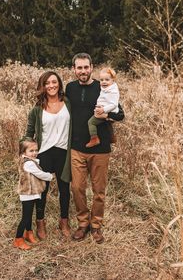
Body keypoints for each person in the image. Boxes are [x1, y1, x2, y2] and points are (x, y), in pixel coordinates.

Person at [65, 53, 124, 244]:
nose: (83, 71)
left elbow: (120, 114)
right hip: (76, 147)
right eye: (79, 68)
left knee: (99, 190)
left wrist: (106, 115)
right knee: (77, 187)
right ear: (74, 69)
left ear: (92, 67)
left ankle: (96, 226)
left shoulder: (103, 85)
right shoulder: (70, 88)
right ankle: (83, 224)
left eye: (86, 67)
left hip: (100, 149)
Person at [24, 71, 72, 239]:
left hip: (64, 151)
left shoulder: (67, 103)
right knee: (42, 190)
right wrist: (27, 153)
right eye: (47, 83)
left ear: (59, 84)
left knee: (64, 189)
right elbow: (28, 134)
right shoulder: (37, 109)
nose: (51, 85)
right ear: (43, 86)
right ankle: (40, 222)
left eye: (54, 82)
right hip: (44, 152)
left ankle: (64, 221)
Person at [13, 139, 53, 250]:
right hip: (27, 194)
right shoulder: (29, 163)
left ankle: (28, 233)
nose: (34, 153)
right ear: (23, 152)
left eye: (36, 150)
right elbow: (40, 174)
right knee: (25, 218)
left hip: (32, 193)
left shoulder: (30, 161)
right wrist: (49, 176)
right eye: (31, 150)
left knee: (29, 215)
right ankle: (18, 239)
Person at [86, 67, 120, 148]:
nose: (104, 82)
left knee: (91, 122)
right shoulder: (107, 88)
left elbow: (114, 104)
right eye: (101, 80)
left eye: (107, 80)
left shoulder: (112, 91)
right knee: (107, 123)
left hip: (106, 111)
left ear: (113, 80)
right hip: (105, 110)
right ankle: (112, 138)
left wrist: (103, 110)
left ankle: (94, 138)